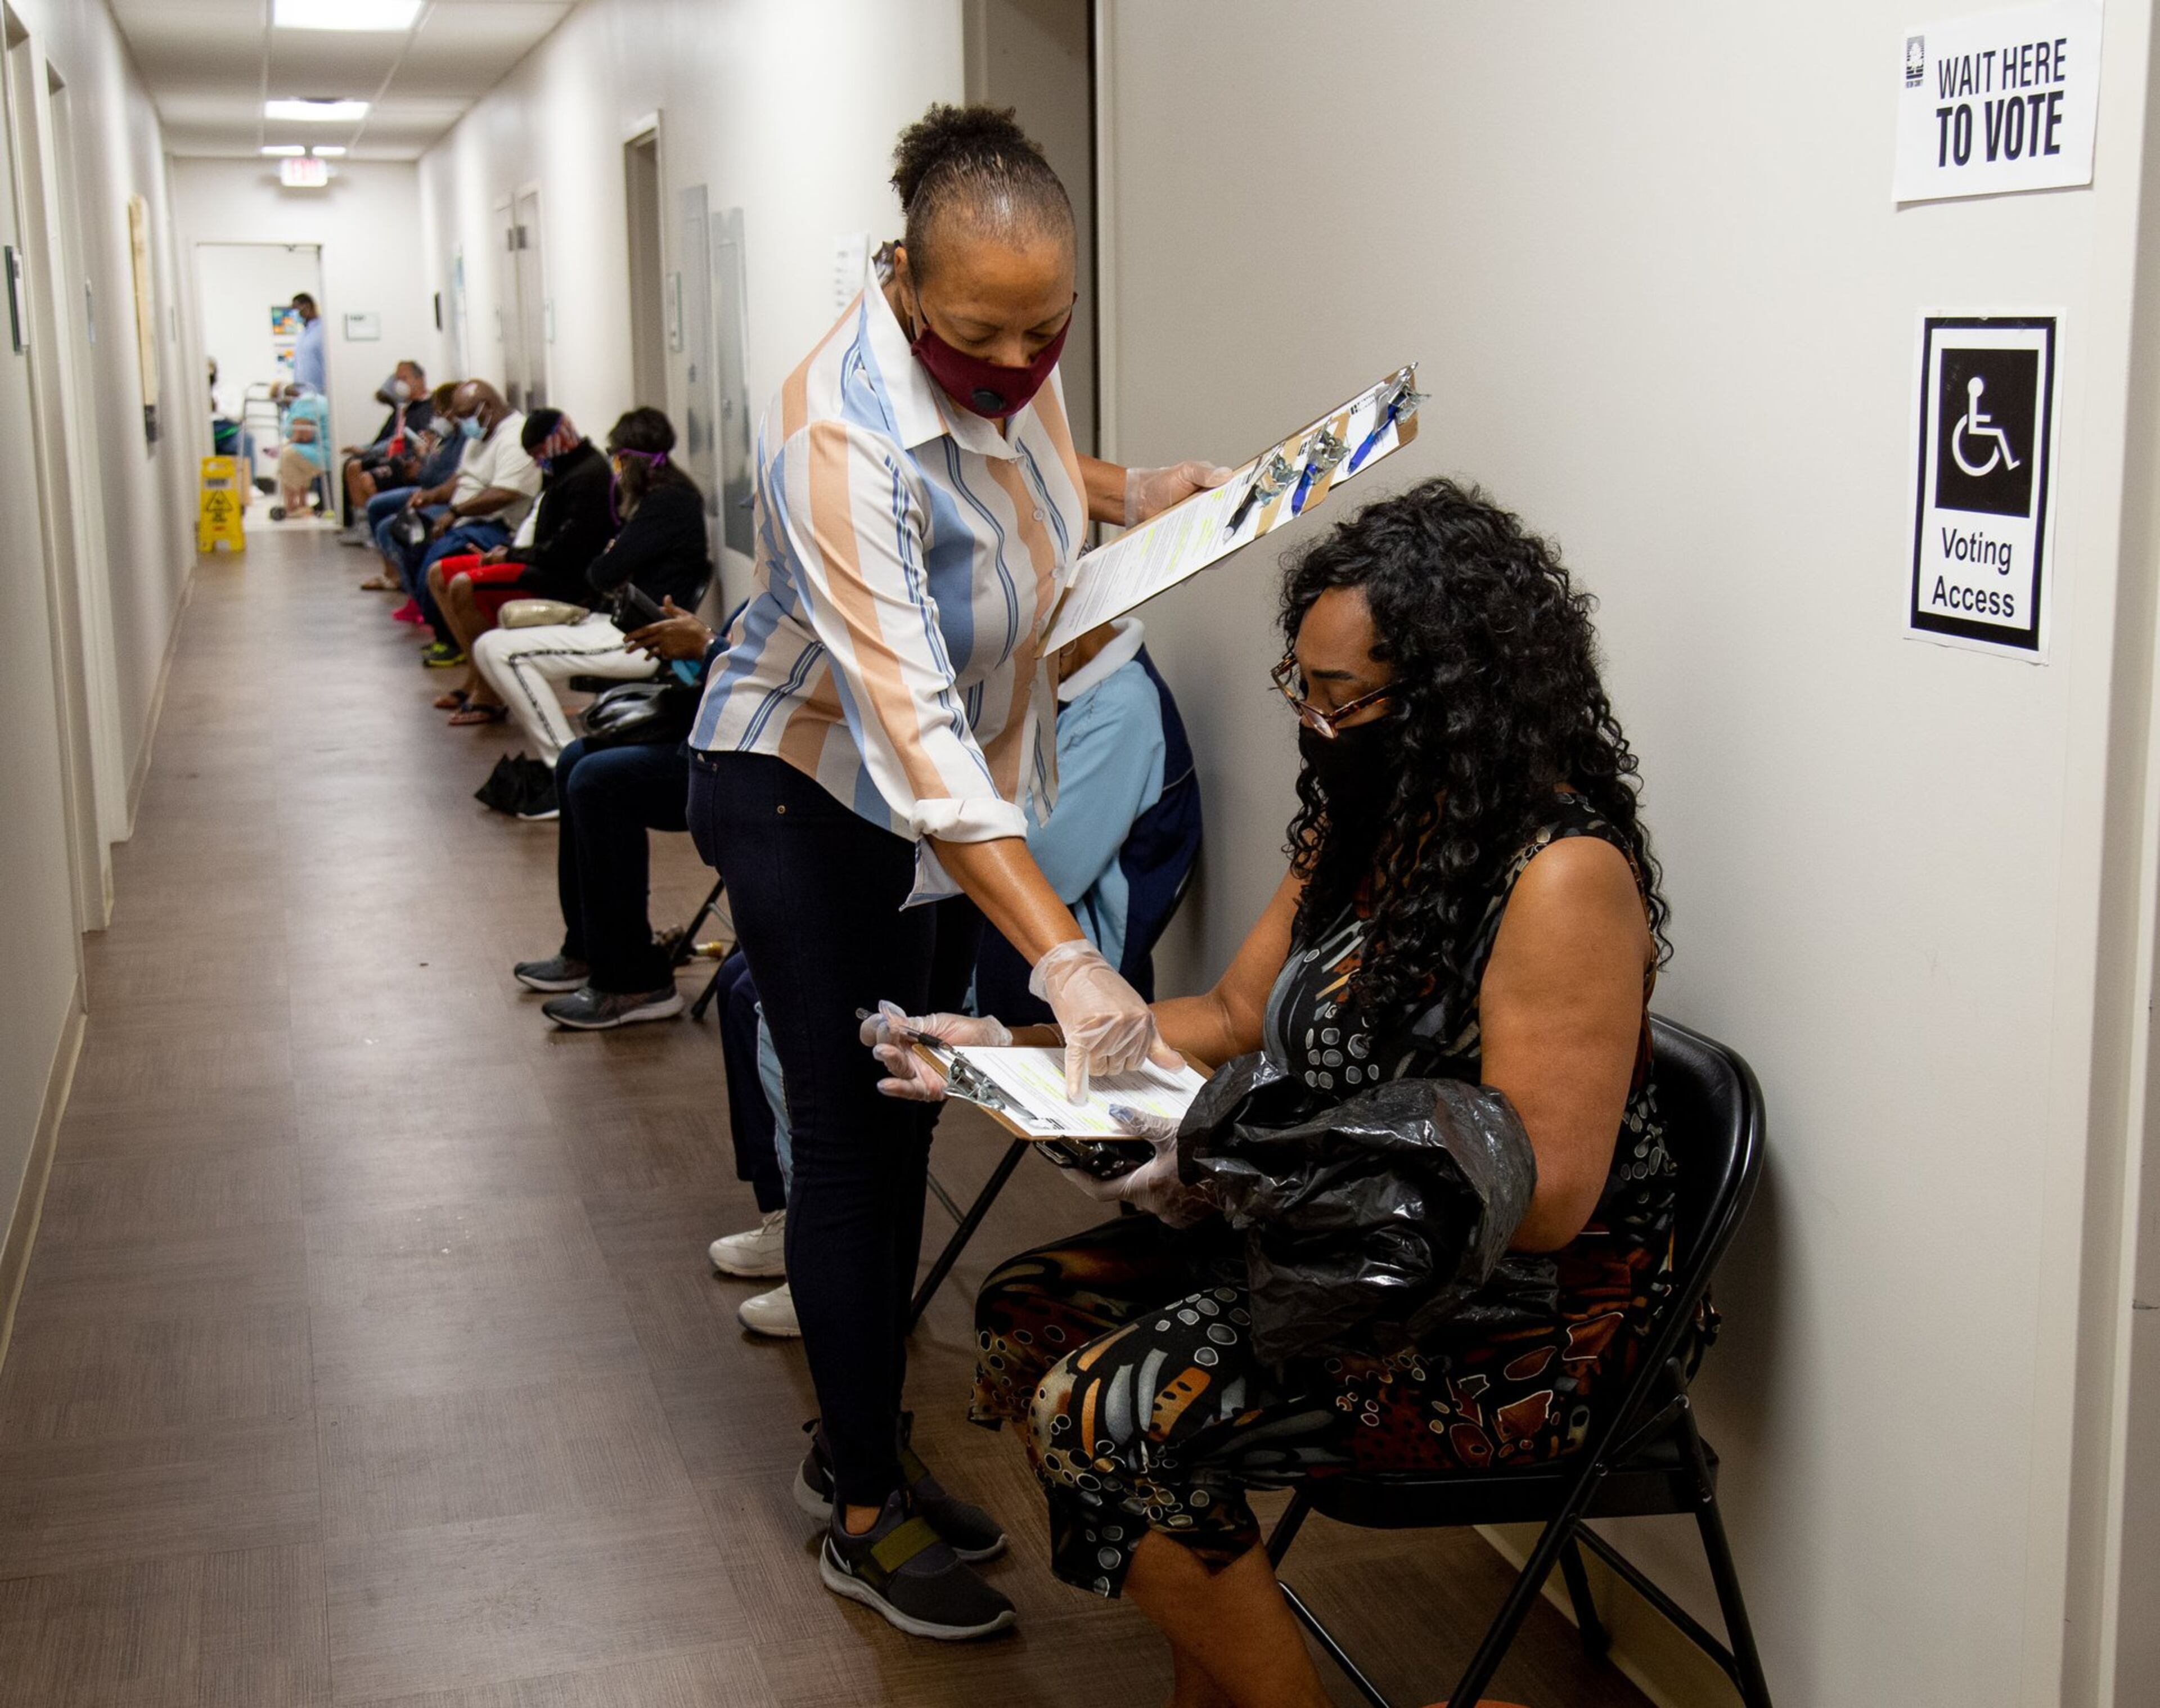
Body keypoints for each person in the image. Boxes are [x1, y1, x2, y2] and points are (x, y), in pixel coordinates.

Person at [868, 480, 1676, 1708]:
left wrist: (1238, 1158)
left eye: (1343, 697)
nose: (1315, 720)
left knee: (1105, 1415)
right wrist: (1017, 1046)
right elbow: (1236, 1019)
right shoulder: (1368, 830)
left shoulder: (1562, 878)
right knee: (1031, 1307)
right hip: (1333, 1248)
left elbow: (1550, 1201)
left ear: (1455, 699)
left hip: (1499, 1317)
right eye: (1302, 686)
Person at [685, 102, 1227, 1641]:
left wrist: (1138, 491)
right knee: (858, 1137)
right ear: (904, 283)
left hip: (938, 805)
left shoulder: (1010, 361)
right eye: (982, 331)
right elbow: (913, 734)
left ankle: (861, 1439)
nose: (1018, 361)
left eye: (1047, 328)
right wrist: (1064, 956)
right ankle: (860, 1504)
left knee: (911, 1127)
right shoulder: (838, 438)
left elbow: (1027, 467)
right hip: (806, 792)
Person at [706, 614, 1204, 1339]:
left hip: (1055, 964)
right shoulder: (1064, 685)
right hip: (996, 920)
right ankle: (793, 1217)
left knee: (788, 1015)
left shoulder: (1121, 706)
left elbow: (1049, 867)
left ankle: (834, 1262)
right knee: (748, 982)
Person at [469, 406, 710, 797]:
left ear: (628, 459)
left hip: (639, 640)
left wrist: (615, 553)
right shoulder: (671, 498)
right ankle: (564, 762)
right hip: (618, 626)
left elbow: (601, 573)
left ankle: (563, 766)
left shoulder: (666, 504)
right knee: (493, 643)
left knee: (501, 653)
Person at [508, 597, 724, 1029]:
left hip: (754, 761)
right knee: (574, 759)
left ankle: (634, 981)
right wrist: (696, 638)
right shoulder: (786, 563)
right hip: (715, 730)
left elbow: (787, 675)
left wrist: (707, 646)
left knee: (597, 781)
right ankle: (588, 948)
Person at [428, 409, 615, 723]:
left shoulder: (589, 477)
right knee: (439, 573)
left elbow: (567, 553)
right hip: (533, 557)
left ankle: (489, 695)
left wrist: (510, 557)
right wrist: (510, 553)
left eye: (538, 454)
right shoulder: (564, 469)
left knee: (464, 584)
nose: (536, 462)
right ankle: (476, 678)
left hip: (561, 577)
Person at [384, 380, 542, 666]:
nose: (463, 423)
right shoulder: (481, 434)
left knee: (440, 558)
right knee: (406, 533)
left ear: (487, 408)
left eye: (467, 415)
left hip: (497, 525)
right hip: (465, 517)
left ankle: (452, 638)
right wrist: (431, 497)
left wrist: (455, 512)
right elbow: (462, 478)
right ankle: (438, 624)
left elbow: (506, 493)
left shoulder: (515, 437)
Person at [336, 361, 433, 542]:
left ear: (420, 380)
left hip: (408, 460)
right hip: (392, 456)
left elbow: (411, 442)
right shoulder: (404, 409)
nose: (399, 384)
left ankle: (381, 528)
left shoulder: (429, 408)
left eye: (404, 378)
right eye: (397, 379)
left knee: (364, 475)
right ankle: (363, 526)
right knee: (352, 466)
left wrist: (368, 452)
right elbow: (387, 437)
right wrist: (366, 450)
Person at [272, 382, 330, 519]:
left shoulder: (303, 404)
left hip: (324, 452)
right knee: (296, 454)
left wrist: (280, 447)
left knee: (287, 455)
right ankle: (302, 504)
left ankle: (292, 507)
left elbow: (303, 436)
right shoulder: (312, 399)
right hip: (325, 450)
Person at [290, 291, 327, 396]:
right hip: (303, 395)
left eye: (296, 309)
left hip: (321, 395)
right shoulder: (302, 334)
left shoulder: (324, 331)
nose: (294, 314)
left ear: (307, 307)